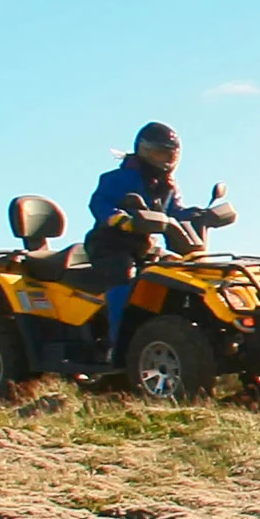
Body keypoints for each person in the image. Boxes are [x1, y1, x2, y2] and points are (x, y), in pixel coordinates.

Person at [86, 120, 200, 369]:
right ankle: (116, 345)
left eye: (170, 155)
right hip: (110, 245)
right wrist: (119, 218)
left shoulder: (167, 185)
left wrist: (198, 215)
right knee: (123, 278)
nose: (166, 160)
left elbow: (174, 212)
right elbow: (99, 203)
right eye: (160, 153)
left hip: (144, 248)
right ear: (145, 151)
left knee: (173, 274)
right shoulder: (117, 178)